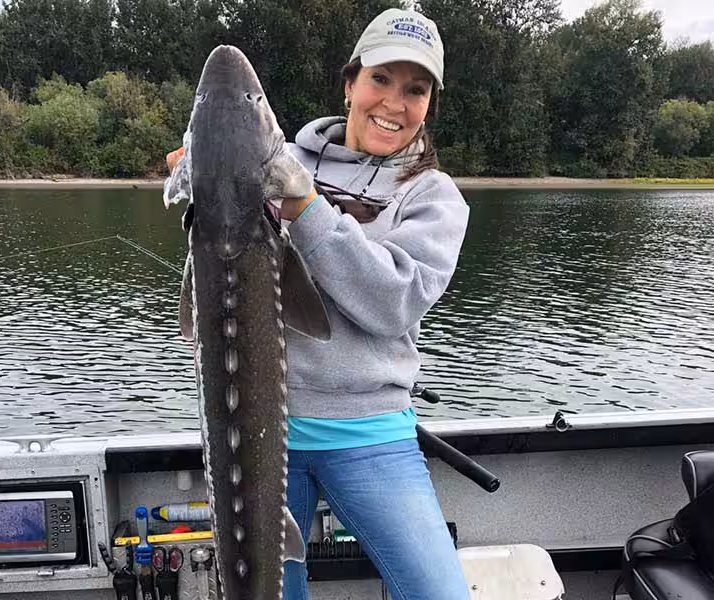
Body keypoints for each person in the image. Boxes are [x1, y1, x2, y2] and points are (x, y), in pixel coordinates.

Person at [167, 8, 470, 599]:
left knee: (441, 594)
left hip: (369, 432)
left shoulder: (433, 196)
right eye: (381, 79)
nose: (394, 102)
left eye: (416, 89)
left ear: (429, 102)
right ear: (352, 82)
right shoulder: (283, 157)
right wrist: (197, 182)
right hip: (259, 434)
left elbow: (392, 303)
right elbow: (216, 264)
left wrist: (306, 207)